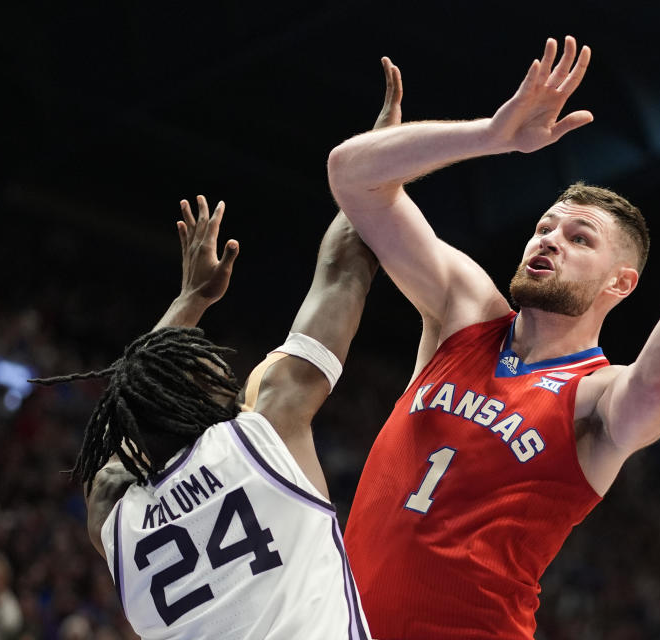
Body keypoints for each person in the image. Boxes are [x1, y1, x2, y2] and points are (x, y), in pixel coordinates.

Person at [328, 37, 660, 639]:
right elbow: (353, 176)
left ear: (620, 283)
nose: (549, 240)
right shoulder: (464, 313)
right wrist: (492, 135)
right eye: (546, 227)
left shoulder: (597, 397)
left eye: (580, 238)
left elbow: (659, 383)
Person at [31, 59, 404, 639]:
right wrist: (375, 164)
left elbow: (125, 408)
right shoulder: (267, 425)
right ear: (203, 396)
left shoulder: (114, 511)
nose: (228, 372)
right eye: (213, 367)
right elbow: (342, 274)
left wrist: (188, 303)